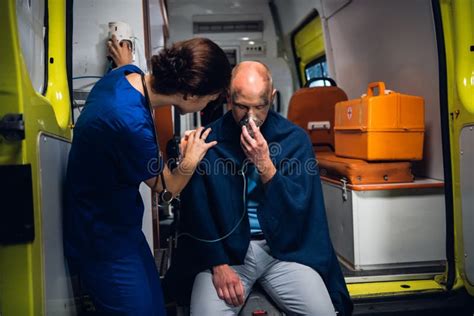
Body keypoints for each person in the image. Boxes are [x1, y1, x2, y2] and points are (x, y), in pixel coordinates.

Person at [163, 61, 353, 315]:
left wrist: (266, 166)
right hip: (227, 254)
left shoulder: (295, 140)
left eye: (259, 106)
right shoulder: (208, 141)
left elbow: (299, 211)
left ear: (272, 98)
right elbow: (198, 212)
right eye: (242, 106)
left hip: (282, 251)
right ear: (228, 98)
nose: (250, 117)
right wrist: (218, 265)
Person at [63, 37, 231, 315]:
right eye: (207, 100)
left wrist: (124, 60)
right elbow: (168, 190)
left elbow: (127, 72)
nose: (204, 109)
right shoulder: (130, 123)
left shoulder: (126, 74)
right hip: (102, 239)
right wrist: (191, 159)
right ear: (189, 94)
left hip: (121, 228)